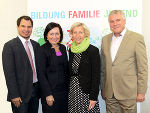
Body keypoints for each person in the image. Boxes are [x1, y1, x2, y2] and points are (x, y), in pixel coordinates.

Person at [101, 10, 148, 113]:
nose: (115, 23)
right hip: (110, 92)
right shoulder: (105, 40)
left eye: (118, 20)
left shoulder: (136, 38)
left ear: (124, 21)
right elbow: (103, 67)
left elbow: (142, 68)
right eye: (111, 21)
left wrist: (141, 91)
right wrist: (103, 87)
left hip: (128, 91)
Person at [2, 16, 43, 113]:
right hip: (19, 94)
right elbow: (9, 73)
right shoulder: (9, 46)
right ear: (17, 27)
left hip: (35, 91)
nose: (26, 29)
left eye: (29, 27)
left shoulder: (36, 45)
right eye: (23, 26)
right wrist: (14, 95)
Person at [68, 22, 101, 113]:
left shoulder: (93, 50)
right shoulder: (71, 50)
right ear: (72, 35)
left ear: (85, 34)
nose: (78, 35)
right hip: (73, 90)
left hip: (87, 92)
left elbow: (96, 75)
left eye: (80, 32)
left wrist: (94, 96)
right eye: (75, 32)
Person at [39, 22, 68, 113]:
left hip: (64, 92)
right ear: (46, 35)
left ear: (60, 35)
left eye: (57, 34)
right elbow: (41, 74)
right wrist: (48, 94)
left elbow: (65, 69)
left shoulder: (63, 47)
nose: (54, 37)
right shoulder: (42, 49)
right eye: (51, 34)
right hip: (51, 92)